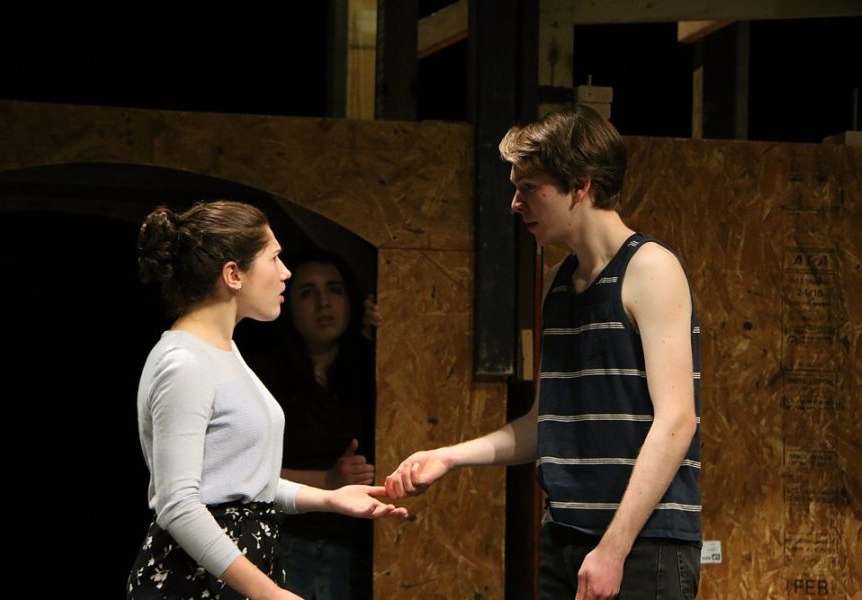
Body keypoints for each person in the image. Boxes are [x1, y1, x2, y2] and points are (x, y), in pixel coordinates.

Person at [385, 104, 702, 600]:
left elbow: (677, 420)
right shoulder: (556, 285)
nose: (516, 203)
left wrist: (613, 550)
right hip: (567, 540)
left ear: (580, 186)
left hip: (642, 545)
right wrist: (448, 457)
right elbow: (546, 424)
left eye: (530, 188)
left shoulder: (651, 269)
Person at [127, 200, 406, 600]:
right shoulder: (184, 362)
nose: (285, 272)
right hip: (194, 579)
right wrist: (268, 592)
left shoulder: (224, 352)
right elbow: (179, 504)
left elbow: (242, 484)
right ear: (233, 275)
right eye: (274, 258)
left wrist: (329, 498)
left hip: (239, 570)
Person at [245, 249, 379, 600]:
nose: (324, 303)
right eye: (308, 292)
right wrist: (329, 481)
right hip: (288, 538)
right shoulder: (262, 373)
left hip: (363, 543)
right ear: (287, 304)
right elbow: (243, 472)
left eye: (335, 290)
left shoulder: (372, 365)